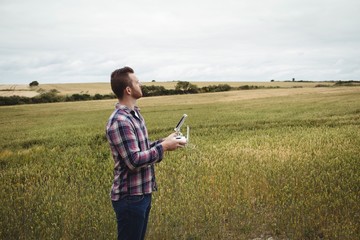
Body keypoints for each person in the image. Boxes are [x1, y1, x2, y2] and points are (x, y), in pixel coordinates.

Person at [105, 66, 185, 240]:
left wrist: (165, 141)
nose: (140, 84)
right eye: (137, 82)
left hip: (142, 193)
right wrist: (163, 147)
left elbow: (142, 148)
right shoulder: (120, 121)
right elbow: (134, 160)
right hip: (130, 198)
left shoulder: (134, 115)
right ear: (128, 89)